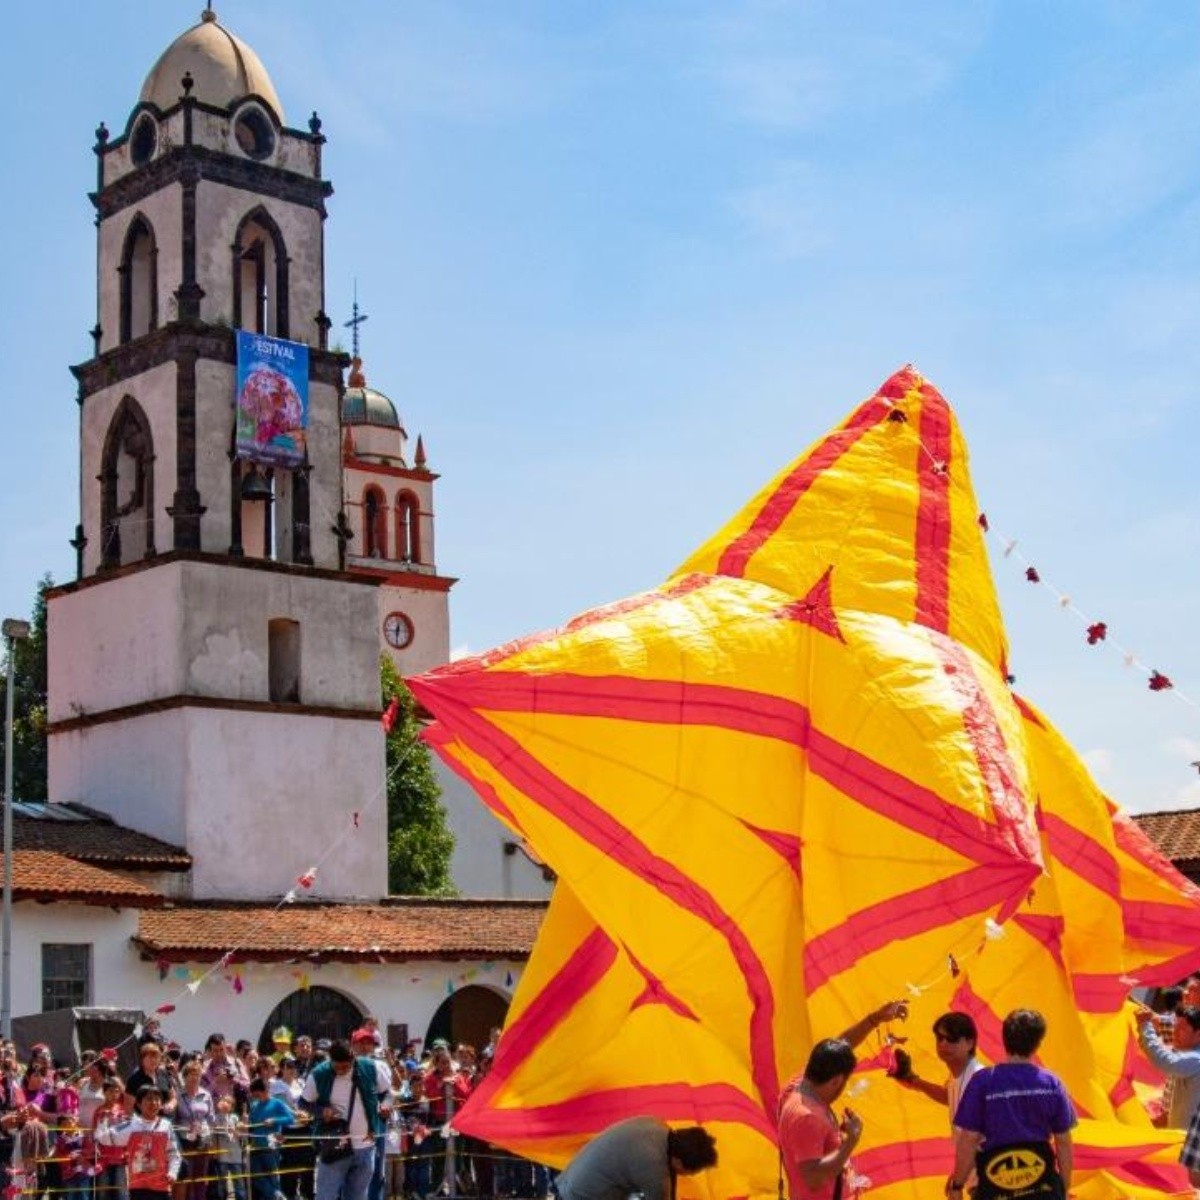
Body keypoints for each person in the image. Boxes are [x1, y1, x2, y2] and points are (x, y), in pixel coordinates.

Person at [778, 1001, 908, 1200]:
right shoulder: (807, 1118)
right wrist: (850, 1141)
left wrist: (875, 1019)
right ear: (837, 1080)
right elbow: (812, 1178)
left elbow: (841, 1046)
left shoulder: (802, 1082)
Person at [950, 1009, 1075, 1200]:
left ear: (1004, 1039)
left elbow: (968, 1138)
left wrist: (957, 1184)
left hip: (996, 1187)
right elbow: (1064, 1141)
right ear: (1038, 1043)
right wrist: (1063, 1189)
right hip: (1043, 1188)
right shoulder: (1051, 1083)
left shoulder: (983, 1081)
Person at [301, 1040, 391, 1200]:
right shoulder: (319, 1074)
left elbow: (387, 1093)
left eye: (346, 1066)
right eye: (337, 1067)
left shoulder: (371, 1067)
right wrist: (322, 1111)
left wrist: (385, 1104)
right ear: (330, 1060)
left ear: (353, 1059)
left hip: (366, 1147)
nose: (342, 1070)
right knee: (325, 1196)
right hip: (334, 1147)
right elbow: (303, 1103)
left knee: (357, 1197)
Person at [554, 1117, 716, 1200]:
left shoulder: (657, 1125)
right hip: (580, 1196)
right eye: (691, 1171)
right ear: (679, 1162)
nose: (688, 1175)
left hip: (570, 1182)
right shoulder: (653, 1167)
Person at [893, 1011, 982, 1123]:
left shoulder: (977, 1079)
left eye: (952, 1038)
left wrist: (913, 1080)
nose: (943, 1043)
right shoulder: (960, 1075)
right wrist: (913, 1080)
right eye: (940, 1038)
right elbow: (947, 1096)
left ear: (970, 1043)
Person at [96, 1085, 182, 1200]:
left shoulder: (166, 1126)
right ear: (139, 1103)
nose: (154, 1103)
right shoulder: (132, 1126)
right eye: (149, 1099)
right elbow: (104, 1138)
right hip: (138, 1186)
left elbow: (174, 1154)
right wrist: (103, 1122)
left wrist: (172, 1172)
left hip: (161, 1185)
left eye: (157, 1099)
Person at [1134, 1003, 1200, 1129]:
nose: (1175, 1032)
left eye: (1182, 1029)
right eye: (1176, 1027)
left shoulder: (1196, 1059)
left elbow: (1165, 1061)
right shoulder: (1186, 1054)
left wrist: (1145, 1025)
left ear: (1198, 1035)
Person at [247, 1078, 294, 1200]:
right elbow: (250, 1123)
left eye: (255, 1092)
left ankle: (275, 1195)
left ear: (262, 1091)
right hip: (256, 1147)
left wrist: (275, 1120)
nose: (254, 1095)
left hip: (272, 1147)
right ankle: (276, 1196)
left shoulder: (277, 1103)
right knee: (256, 1176)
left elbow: (290, 1119)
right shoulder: (254, 1105)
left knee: (273, 1177)